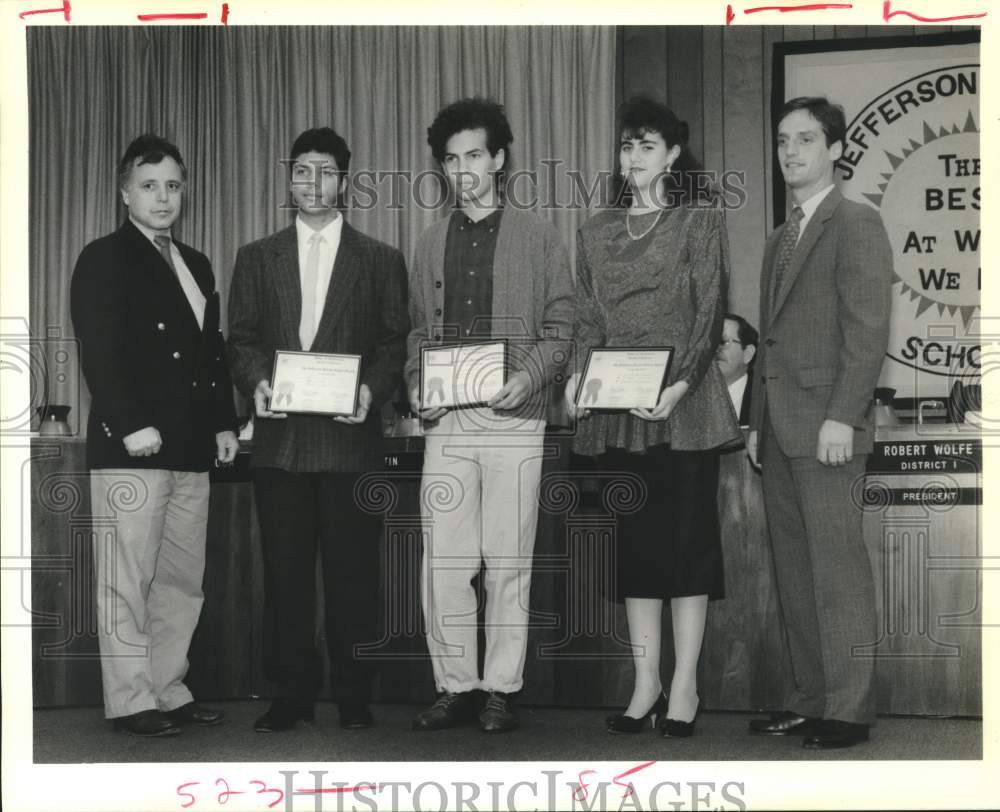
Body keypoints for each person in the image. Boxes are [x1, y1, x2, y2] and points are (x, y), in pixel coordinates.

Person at [566, 97, 740, 737]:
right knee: (636, 554)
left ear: (672, 154)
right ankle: (645, 686)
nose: (633, 158)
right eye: (625, 146)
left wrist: (683, 383)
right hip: (619, 413)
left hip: (683, 408)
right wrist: (578, 377)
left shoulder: (699, 221)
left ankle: (686, 686)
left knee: (688, 551)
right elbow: (587, 317)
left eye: (646, 146)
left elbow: (708, 311)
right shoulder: (595, 229)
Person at [226, 127, 409, 732]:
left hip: (350, 439)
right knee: (285, 575)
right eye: (301, 170)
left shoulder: (380, 259)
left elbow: (391, 342)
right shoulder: (256, 257)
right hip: (279, 445)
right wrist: (256, 383)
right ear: (289, 178)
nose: (312, 182)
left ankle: (355, 693)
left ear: (345, 181)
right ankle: (293, 693)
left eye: (324, 171)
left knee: (355, 576)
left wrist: (371, 391)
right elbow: (243, 340)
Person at [406, 97, 574, 733]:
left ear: (499, 159)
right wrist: (416, 385)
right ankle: (455, 685)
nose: (463, 170)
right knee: (444, 560)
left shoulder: (538, 236)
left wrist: (528, 376)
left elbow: (563, 325)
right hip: (447, 421)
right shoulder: (428, 244)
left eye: (474, 155)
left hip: (514, 417)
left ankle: (502, 686)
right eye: (451, 160)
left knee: (509, 560)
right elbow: (419, 335)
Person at [70, 134, 239, 737]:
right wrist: (129, 423)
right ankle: (130, 698)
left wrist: (224, 421)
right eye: (149, 185)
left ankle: (168, 687)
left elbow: (209, 357)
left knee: (179, 582)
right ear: (124, 193)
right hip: (132, 448)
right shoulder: (103, 258)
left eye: (172, 185)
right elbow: (101, 355)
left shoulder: (196, 263)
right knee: (126, 580)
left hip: (191, 449)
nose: (162, 197)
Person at [747, 96, 892, 749]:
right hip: (778, 430)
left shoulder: (856, 222)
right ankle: (809, 699)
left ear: (835, 149)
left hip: (828, 427)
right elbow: (769, 342)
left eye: (806, 139)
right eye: (783, 140)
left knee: (838, 570)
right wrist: (755, 422)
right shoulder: (780, 237)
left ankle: (849, 708)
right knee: (796, 573)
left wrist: (844, 414)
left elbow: (868, 333)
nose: (791, 151)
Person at [716, 313, 758, 426]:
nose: (713, 350)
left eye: (722, 342)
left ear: (747, 354)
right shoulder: (684, 397)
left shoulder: (765, 400)